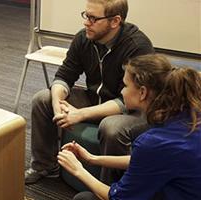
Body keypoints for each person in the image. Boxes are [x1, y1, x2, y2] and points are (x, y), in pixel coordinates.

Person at [25, 0, 154, 184]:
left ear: (115, 21)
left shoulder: (137, 47)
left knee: (112, 127)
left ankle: (110, 187)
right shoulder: (84, 38)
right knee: (43, 98)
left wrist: (81, 114)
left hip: (135, 110)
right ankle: (45, 166)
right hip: (96, 99)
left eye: (93, 18)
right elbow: (64, 75)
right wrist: (57, 105)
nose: (86, 22)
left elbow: (128, 100)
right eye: (86, 15)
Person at [58, 54, 201, 200]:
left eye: (125, 86)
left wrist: (78, 170)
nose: (121, 91)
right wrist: (92, 159)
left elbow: (119, 198)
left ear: (143, 92)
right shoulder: (190, 115)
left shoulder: (155, 142)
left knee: (84, 198)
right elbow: (150, 160)